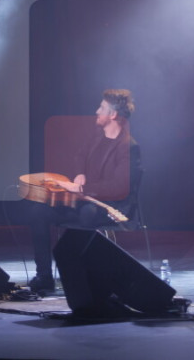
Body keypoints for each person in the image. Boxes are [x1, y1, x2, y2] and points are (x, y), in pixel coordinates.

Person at [26, 89, 139, 295]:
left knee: (88, 213)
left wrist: (81, 188)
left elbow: (118, 186)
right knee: (38, 211)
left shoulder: (128, 147)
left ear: (113, 115)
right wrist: (80, 174)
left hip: (111, 206)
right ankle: (44, 276)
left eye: (102, 108)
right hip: (83, 201)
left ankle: (84, 278)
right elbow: (80, 156)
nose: (97, 111)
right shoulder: (97, 137)